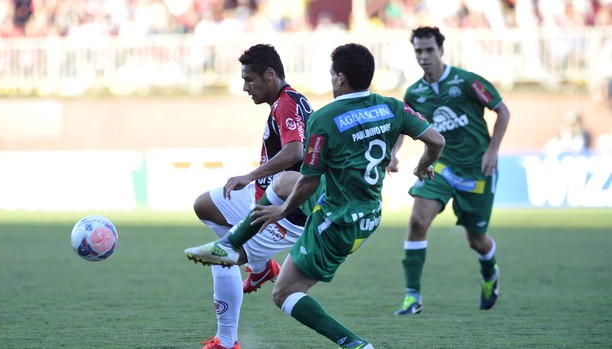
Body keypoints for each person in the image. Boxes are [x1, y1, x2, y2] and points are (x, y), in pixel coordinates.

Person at [187, 43, 445, 348]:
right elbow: (436, 140)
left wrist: (280, 212)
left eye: (331, 73)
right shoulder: (392, 106)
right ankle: (235, 248)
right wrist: (423, 166)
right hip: (369, 212)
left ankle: (355, 344)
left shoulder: (325, 118)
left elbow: (308, 181)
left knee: (284, 294)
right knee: (283, 182)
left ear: (340, 78)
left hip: (336, 219)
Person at [186, 43, 313, 349]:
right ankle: (261, 267)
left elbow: (294, 150)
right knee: (205, 205)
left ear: (270, 75)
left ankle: (227, 341)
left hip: (286, 209)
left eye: (249, 79)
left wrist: (248, 176)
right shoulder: (292, 100)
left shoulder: (285, 104)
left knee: (221, 256)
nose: (245, 87)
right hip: (265, 195)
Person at [391, 26, 510, 316]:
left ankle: (489, 271)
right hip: (440, 167)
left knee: (476, 241)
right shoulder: (415, 93)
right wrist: (393, 153)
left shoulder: (467, 81)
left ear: (441, 51)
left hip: (477, 170)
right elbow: (404, 124)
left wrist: (492, 149)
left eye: (429, 50)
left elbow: (502, 111)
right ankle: (412, 297)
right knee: (418, 221)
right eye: (419, 51)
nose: (424, 56)